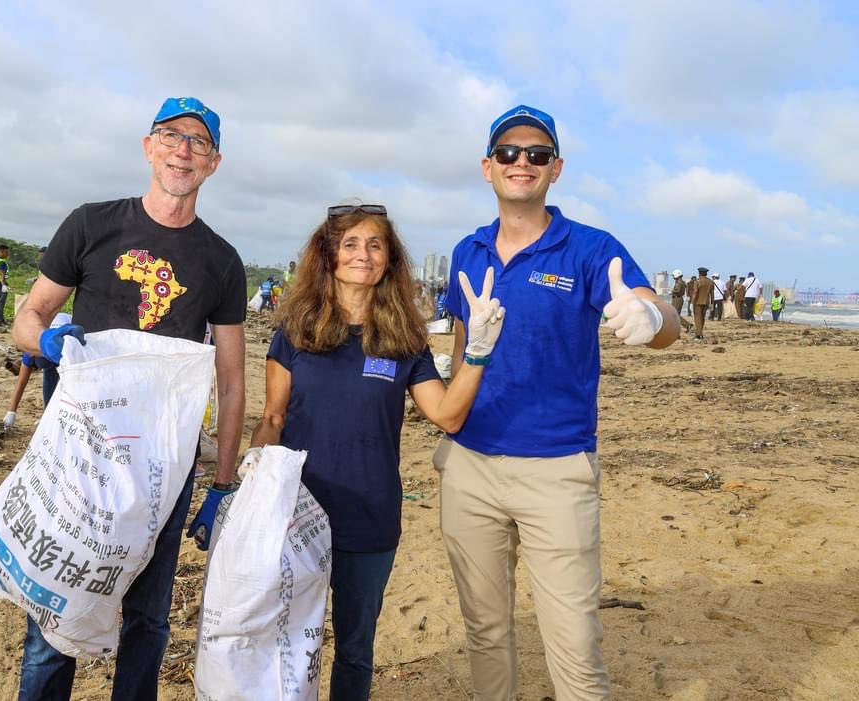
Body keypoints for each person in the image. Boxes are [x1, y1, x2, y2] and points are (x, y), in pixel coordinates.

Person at [436, 105, 680, 701]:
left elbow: (664, 318)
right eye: (510, 153)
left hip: (558, 470)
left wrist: (651, 315)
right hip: (469, 465)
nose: (523, 163)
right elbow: (464, 340)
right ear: (487, 166)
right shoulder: (468, 250)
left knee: (572, 643)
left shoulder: (591, 248)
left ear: (557, 168)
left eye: (537, 154)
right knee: (486, 632)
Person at [12, 96, 246, 700]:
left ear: (214, 162)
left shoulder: (221, 261)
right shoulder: (91, 224)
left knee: (148, 616)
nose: (183, 150)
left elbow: (230, 377)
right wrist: (46, 338)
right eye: (171, 136)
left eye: (198, 142)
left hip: (163, 465)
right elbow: (29, 316)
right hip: (80, 459)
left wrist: (221, 483)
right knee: (52, 610)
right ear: (149, 146)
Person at [244, 203, 504, 700]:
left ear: (389, 260)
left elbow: (447, 415)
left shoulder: (403, 341)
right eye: (350, 244)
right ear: (329, 257)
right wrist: (253, 467)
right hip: (295, 514)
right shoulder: (295, 331)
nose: (363, 254)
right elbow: (273, 418)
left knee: (355, 649)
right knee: (289, 640)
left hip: (370, 515)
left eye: (375, 244)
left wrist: (476, 355)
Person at [2, 312, 72, 430]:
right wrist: (11, 412)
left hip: (70, 338)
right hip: (49, 334)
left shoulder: (66, 348)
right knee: (49, 377)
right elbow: (21, 383)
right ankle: (48, 415)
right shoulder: (31, 350)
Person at [691, 267, 714, 339]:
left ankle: (698, 335)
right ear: (706, 273)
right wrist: (712, 303)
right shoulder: (711, 282)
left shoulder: (697, 282)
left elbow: (695, 292)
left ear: (699, 273)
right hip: (706, 302)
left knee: (697, 318)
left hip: (697, 302)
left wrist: (692, 303)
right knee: (702, 318)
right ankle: (700, 333)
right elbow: (712, 294)